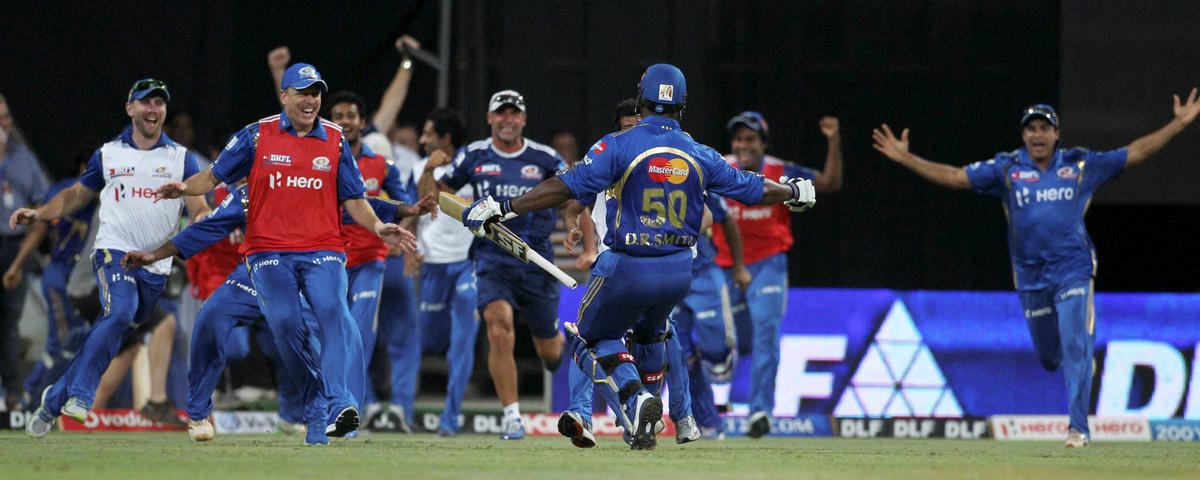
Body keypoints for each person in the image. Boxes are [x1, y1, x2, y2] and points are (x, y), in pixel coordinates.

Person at [461, 64, 816, 449]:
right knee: (652, 337)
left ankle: (634, 399)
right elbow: (750, 189)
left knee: (590, 338)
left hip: (628, 266)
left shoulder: (618, 144)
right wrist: (793, 192)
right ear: (682, 104)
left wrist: (505, 206)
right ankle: (651, 423)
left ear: (642, 97)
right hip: (680, 272)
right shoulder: (700, 152)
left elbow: (563, 187)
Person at [872, 91, 1200, 448]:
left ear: (1056, 134)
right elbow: (954, 177)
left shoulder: (1079, 165)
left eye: (1044, 128)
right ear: (1023, 135)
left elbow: (1135, 152)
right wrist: (907, 159)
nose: (1037, 135)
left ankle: (1078, 428)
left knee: (1076, 344)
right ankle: (1078, 364)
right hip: (1030, 277)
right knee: (1049, 357)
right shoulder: (1007, 169)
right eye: (1031, 129)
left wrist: (1179, 124)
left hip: (1073, 269)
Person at [153, 63, 417, 442]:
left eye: (316, 93)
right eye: (303, 92)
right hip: (266, 259)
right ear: (284, 95)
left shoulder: (335, 140)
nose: (311, 100)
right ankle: (282, 409)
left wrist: (379, 226)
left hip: (322, 252)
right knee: (282, 328)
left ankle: (339, 404)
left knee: (334, 313)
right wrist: (183, 192)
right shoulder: (255, 139)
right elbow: (211, 183)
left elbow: (357, 200)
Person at [14, 78, 209, 437]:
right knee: (118, 313)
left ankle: (55, 397)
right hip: (113, 253)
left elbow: (198, 207)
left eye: (159, 104)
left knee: (114, 331)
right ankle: (82, 396)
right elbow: (76, 195)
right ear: (130, 108)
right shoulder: (109, 153)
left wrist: (201, 220)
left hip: (155, 265)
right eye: (146, 103)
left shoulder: (182, 158)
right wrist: (39, 214)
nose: (154, 109)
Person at [418, 90, 567, 440]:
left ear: (524, 120)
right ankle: (512, 417)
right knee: (498, 328)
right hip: (492, 258)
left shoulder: (545, 157)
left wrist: (578, 231)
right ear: (490, 119)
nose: (508, 120)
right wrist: (431, 174)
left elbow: (573, 195)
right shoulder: (474, 155)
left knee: (550, 355)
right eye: (501, 114)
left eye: (514, 114)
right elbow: (437, 193)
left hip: (537, 260)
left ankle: (557, 339)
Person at [711, 110, 843, 438]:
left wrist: (834, 141)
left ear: (763, 144)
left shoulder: (782, 172)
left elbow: (829, 183)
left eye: (750, 140)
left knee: (766, 335)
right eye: (738, 139)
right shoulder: (718, 168)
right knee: (720, 342)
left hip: (767, 264)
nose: (743, 145)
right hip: (723, 265)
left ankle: (759, 412)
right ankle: (708, 412)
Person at [395, 108, 477, 436]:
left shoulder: (474, 166)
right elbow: (420, 206)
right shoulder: (418, 167)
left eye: (429, 134)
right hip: (431, 268)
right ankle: (404, 412)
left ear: (445, 138)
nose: (424, 139)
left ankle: (449, 418)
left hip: (468, 265)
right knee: (428, 339)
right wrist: (407, 249)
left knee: (462, 342)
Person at [4, 156, 94, 409]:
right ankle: (32, 397)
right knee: (62, 343)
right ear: (83, 169)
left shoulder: (106, 197)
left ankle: (40, 396)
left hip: (82, 279)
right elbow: (43, 227)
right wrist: (17, 266)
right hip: (59, 275)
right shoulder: (65, 191)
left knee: (75, 340)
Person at [0, 94, 50, 409]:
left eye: (5, 117)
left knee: (9, 325)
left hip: (12, 248)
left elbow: (41, 215)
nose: (3, 125)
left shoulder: (23, 160)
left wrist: (18, 262)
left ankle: (14, 397)